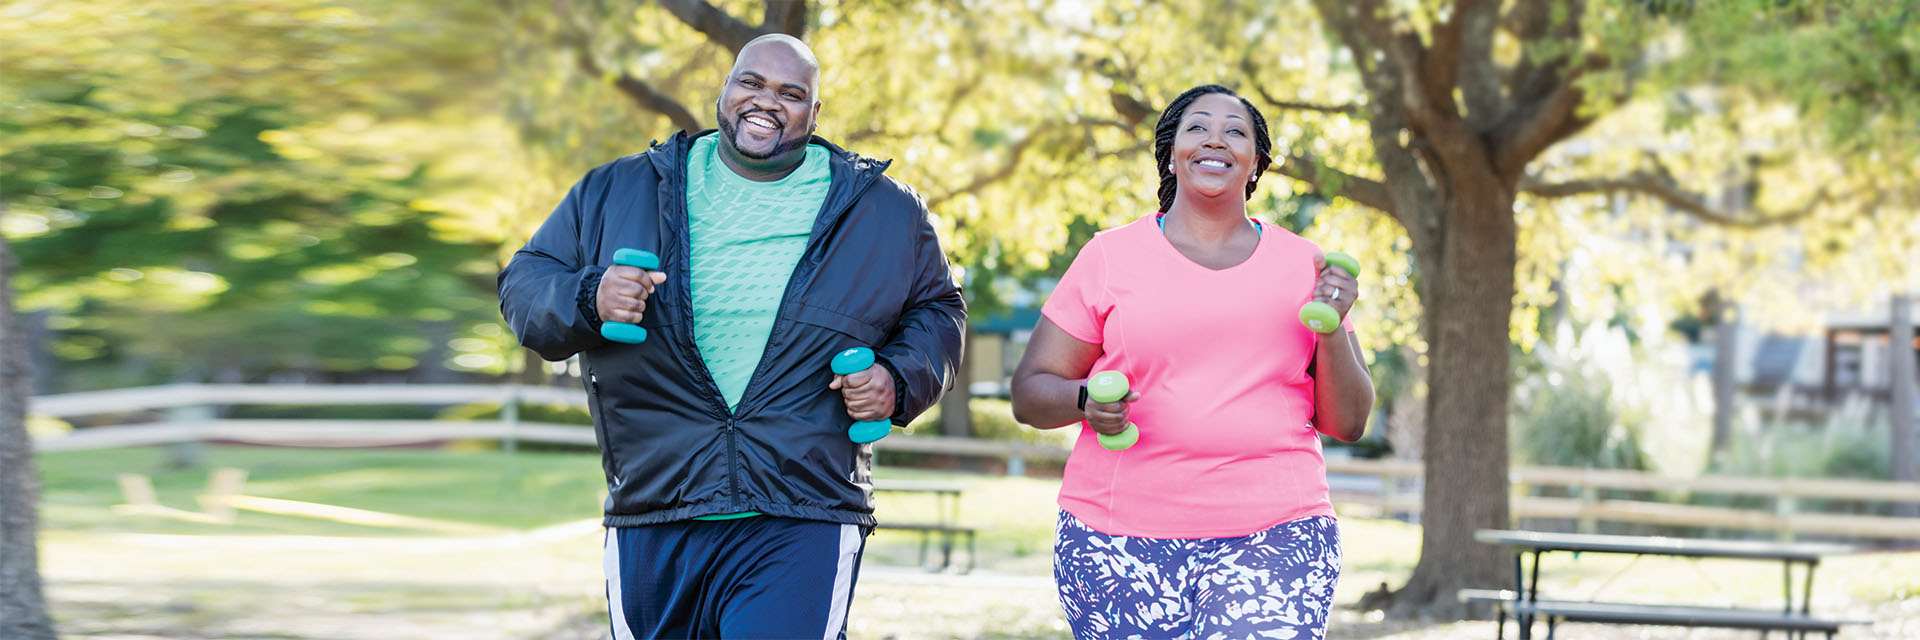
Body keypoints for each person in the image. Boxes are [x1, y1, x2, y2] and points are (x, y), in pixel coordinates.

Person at [497, 34, 965, 639]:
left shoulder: (884, 210)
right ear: (725, 88)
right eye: (751, 83)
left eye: (790, 93)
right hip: (658, 501)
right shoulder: (619, 189)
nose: (766, 102)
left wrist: (897, 380)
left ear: (814, 113)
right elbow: (525, 283)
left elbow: (939, 310)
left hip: (802, 505)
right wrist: (591, 295)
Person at [1009, 84, 1374, 639]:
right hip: (1115, 535)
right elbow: (1031, 392)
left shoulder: (1307, 264)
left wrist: (1332, 323)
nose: (1216, 140)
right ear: (1172, 153)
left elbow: (1348, 422)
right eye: (1198, 127)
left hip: (1277, 530)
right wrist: (1086, 402)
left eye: (1236, 131)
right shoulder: (1109, 257)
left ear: (1256, 163)